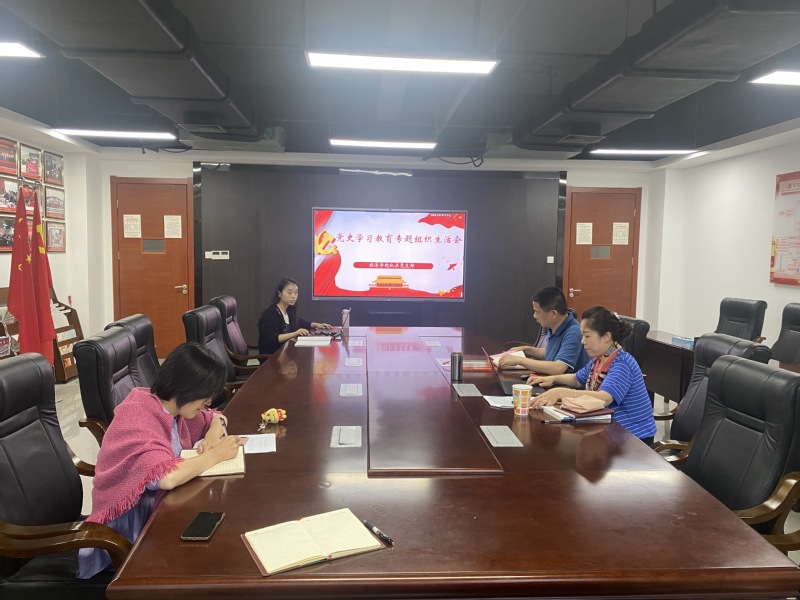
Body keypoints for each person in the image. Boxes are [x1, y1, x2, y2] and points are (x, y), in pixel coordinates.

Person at [77, 343, 247, 579]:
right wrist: (217, 454)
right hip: (124, 534)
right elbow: (166, 478)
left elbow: (217, 417)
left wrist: (212, 434)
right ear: (188, 389)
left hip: (160, 510)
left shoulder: (172, 409)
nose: (205, 406)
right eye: (204, 399)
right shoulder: (138, 414)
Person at [529, 305, 657, 443]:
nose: (583, 341)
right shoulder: (600, 359)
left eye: (587, 336)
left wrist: (560, 392)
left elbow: (604, 398)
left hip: (632, 438)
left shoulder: (622, 363)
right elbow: (576, 379)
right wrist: (552, 379)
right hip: (606, 428)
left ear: (606, 336)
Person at [499, 286, 589, 375]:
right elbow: (551, 352)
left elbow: (558, 368)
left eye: (537, 312)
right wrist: (526, 350)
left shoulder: (573, 332)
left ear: (553, 314)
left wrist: (520, 360)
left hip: (565, 383)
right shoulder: (553, 326)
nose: (534, 316)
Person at [258, 276, 332, 355]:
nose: (293, 296)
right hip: (272, 357)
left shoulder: (289, 310)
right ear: (279, 294)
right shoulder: (271, 312)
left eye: (296, 293)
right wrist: (294, 334)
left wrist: (316, 325)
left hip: (285, 353)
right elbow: (272, 338)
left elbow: (300, 322)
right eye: (289, 293)